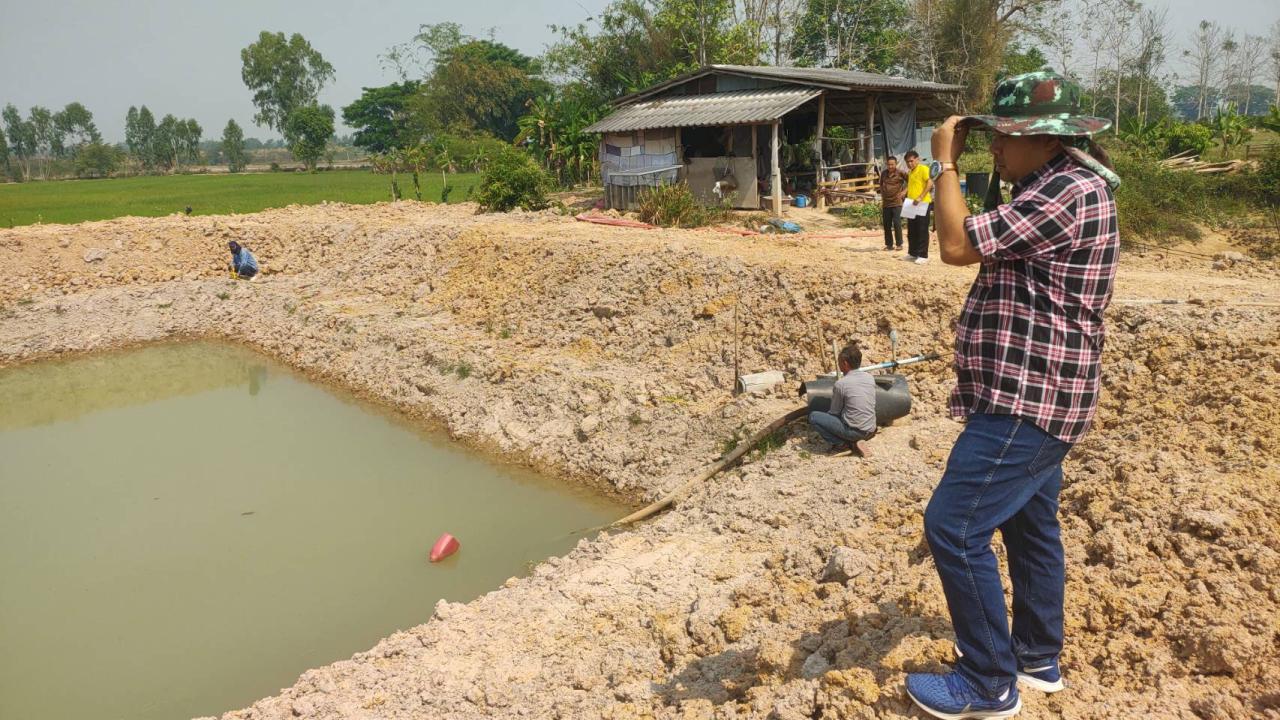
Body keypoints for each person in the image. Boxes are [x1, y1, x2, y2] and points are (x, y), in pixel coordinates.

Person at [902, 71, 1120, 720]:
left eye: (1006, 137)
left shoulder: (1066, 193)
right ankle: (1035, 658)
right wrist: (966, 170)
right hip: (1035, 393)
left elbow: (956, 244)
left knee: (953, 526)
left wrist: (943, 162)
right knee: (1030, 527)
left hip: (1033, 401)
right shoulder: (1051, 185)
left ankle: (988, 682)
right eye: (991, 135)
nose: (995, 147)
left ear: (1049, 141)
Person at [808, 342, 876, 456]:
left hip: (855, 431)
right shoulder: (870, 378)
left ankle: (841, 445)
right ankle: (857, 441)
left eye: (838, 362)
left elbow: (834, 412)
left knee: (814, 417)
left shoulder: (841, 384)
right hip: (871, 429)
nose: (838, 365)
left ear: (845, 363)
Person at [903, 150, 934, 263]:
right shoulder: (911, 172)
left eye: (911, 161)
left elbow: (930, 183)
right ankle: (912, 253)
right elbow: (912, 185)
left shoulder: (923, 169)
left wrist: (920, 197)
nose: (909, 164)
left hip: (922, 203)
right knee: (912, 230)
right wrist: (904, 193)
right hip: (910, 203)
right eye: (907, 162)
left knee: (922, 229)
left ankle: (923, 255)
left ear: (917, 159)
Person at [879, 155, 908, 251]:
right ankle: (889, 245)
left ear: (896, 164)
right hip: (886, 203)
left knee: (897, 224)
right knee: (886, 224)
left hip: (896, 203)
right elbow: (881, 185)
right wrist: (883, 194)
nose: (890, 166)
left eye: (892, 164)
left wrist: (904, 192)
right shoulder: (883, 173)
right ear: (886, 164)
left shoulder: (900, 173)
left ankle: (899, 244)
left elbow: (911, 181)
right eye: (889, 164)